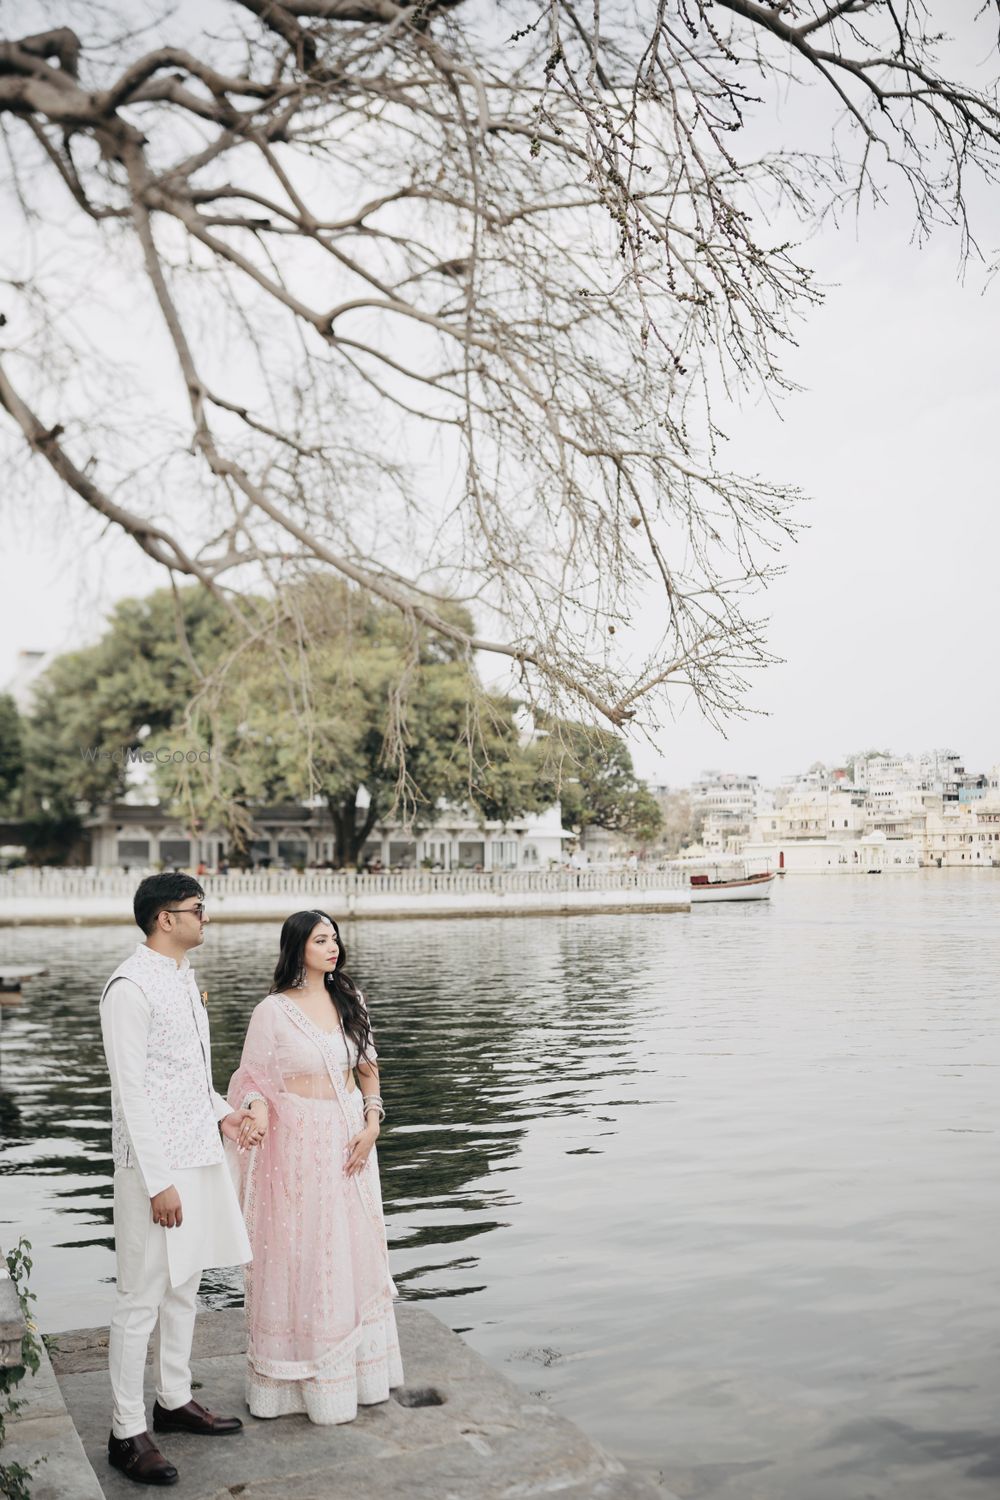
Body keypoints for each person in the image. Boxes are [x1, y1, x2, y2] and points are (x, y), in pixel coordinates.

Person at [99, 873, 260, 1487]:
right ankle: (125, 1430)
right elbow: (131, 1094)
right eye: (198, 910)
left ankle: (171, 1400)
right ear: (166, 918)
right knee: (139, 1297)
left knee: (184, 1287)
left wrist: (227, 1116)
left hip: (198, 1154)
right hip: (153, 1167)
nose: (205, 919)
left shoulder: (183, 981)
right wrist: (157, 1181)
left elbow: (189, 1079)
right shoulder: (129, 987)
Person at [226, 909, 402, 1424]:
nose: (333, 947)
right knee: (301, 1248)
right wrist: (256, 1109)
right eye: (322, 939)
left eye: (336, 938)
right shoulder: (272, 1012)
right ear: (297, 946)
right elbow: (251, 1079)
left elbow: (367, 1070)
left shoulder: (350, 999)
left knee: (350, 1245)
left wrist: (372, 1123)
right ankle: (297, 1379)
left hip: (349, 1136)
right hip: (296, 1144)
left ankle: (359, 1371)